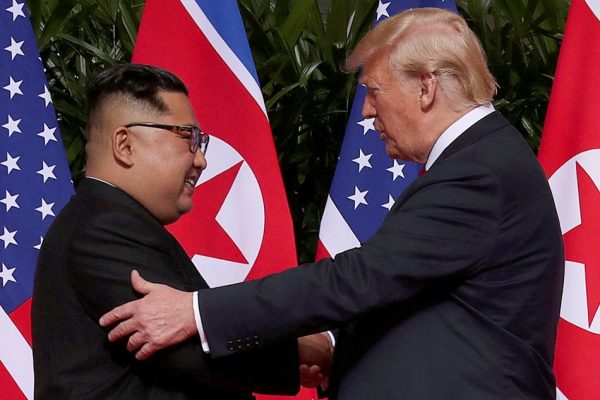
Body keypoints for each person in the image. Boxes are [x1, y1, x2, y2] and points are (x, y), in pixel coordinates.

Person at [100, 8, 565, 400]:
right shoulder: (479, 162)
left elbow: (360, 278)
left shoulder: (479, 172)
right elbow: (415, 296)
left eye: (374, 91)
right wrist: (331, 342)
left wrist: (196, 312)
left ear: (426, 87)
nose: (365, 111)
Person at [31, 64, 322, 399]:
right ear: (125, 145)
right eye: (189, 137)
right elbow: (186, 348)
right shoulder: (103, 226)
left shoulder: (107, 219)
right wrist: (299, 349)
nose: (200, 160)